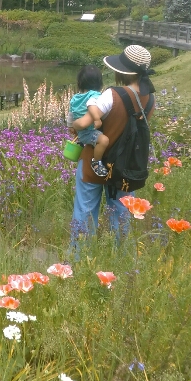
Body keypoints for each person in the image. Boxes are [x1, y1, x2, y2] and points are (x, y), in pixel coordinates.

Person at [69, 45, 155, 251]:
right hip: (125, 168)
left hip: (94, 164)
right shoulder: (150, 99)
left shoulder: (111, 95)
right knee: (122, 215)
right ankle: (122, 259)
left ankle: (79, 259)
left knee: (85, 212)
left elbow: (85, 122)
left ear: (123, 71)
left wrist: (74, 125)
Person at [67, 65, 110, 177]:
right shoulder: (95, 95)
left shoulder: (75, 97)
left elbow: (70, 114)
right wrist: (96, 119)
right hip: (88, 131)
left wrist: (70, 126)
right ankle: (96, 162)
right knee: (104, 140)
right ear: (99, 82)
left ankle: (81, 143)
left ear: (80, 82)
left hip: (80, 132)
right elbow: (91, 104)